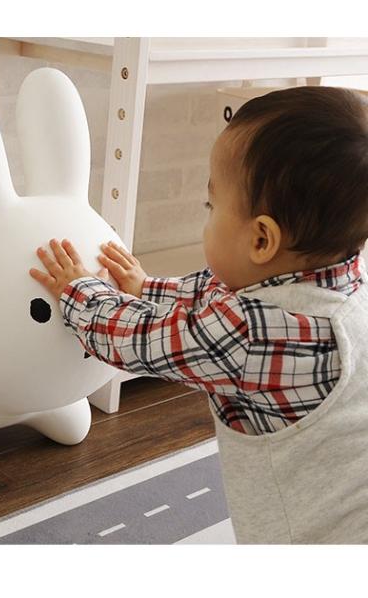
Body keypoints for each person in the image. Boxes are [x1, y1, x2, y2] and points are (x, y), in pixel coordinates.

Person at [29, 85, 368, 544]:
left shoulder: (251, 334)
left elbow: (140, 342)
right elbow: (215, 293)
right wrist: (147, 287)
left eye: (212, 206)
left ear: (261, 240)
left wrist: (78, 290)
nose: (207, 214)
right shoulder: (342, 280)